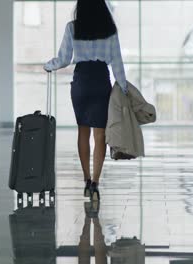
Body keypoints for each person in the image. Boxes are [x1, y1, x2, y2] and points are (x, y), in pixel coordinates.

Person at [44, 0, 128, 201]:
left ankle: (86, 179)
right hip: (101, 82)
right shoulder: (110, 30)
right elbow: (117, 61)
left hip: (81, 81)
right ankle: (95, 184)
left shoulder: (72, 27)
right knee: (100, 135)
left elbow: (63, 59)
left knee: (83, 131)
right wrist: (123, 87)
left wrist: (49, 65)